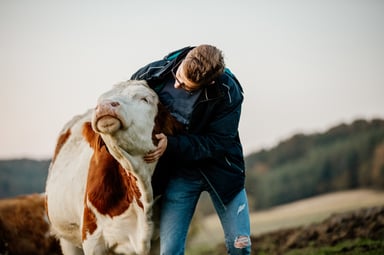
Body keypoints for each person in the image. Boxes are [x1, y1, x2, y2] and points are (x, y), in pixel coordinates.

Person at [131, 44, 251, 255]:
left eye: (187, 87)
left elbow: (217, 143)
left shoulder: (229, 92)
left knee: (240, 245)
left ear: (210, 82)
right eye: (178, 76)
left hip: (222, 173)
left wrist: (171, 144)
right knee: (169, 252)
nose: (176, 85)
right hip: (181, 174)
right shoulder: (156, 72)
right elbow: (128, 97)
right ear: (184, 60)